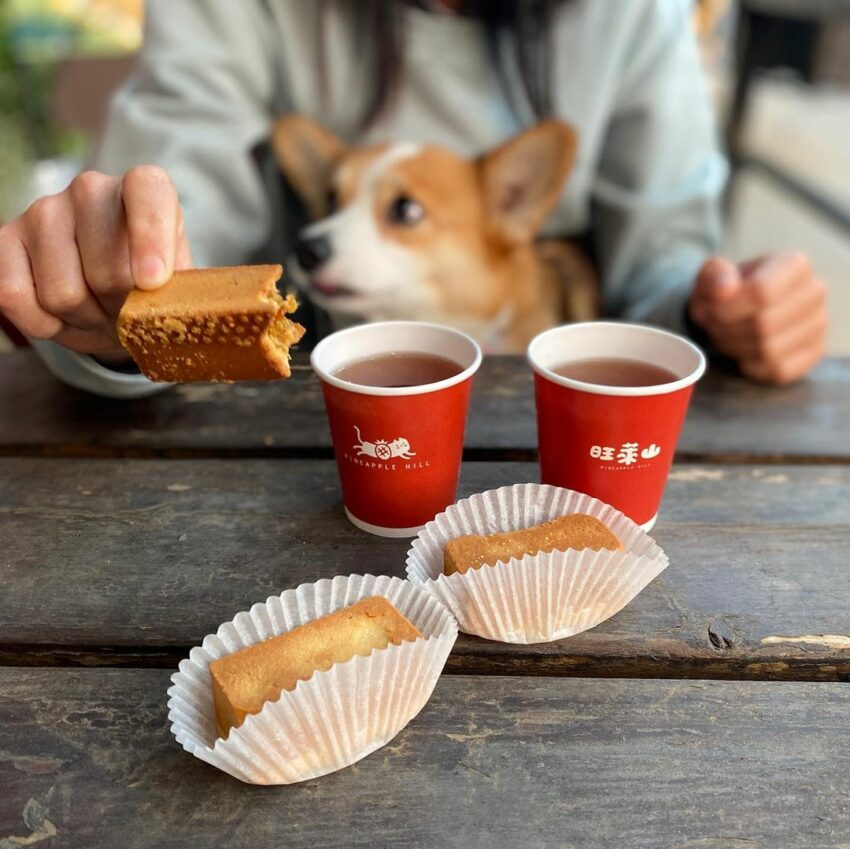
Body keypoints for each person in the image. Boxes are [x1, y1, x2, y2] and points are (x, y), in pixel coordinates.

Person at [0, 0, 827, 397]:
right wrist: (123, 280)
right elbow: (177, 206)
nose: (322, 233)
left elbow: (666, 259)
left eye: (398, 211)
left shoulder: (637, 16)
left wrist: (726, 310)